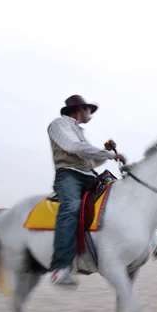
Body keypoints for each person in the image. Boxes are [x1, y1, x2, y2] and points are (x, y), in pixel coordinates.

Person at [48, 95, 126, 288]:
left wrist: (104, 152)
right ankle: (60, 267)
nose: (90, 113)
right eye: (89, 109)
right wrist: (110, 154)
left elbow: (90, 161)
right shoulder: (59, 125)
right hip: (68, 175)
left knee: (120, 197)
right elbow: (73, 147)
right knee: (71, 206)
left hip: (88, 174)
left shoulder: (79, 131)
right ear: (80, 109)